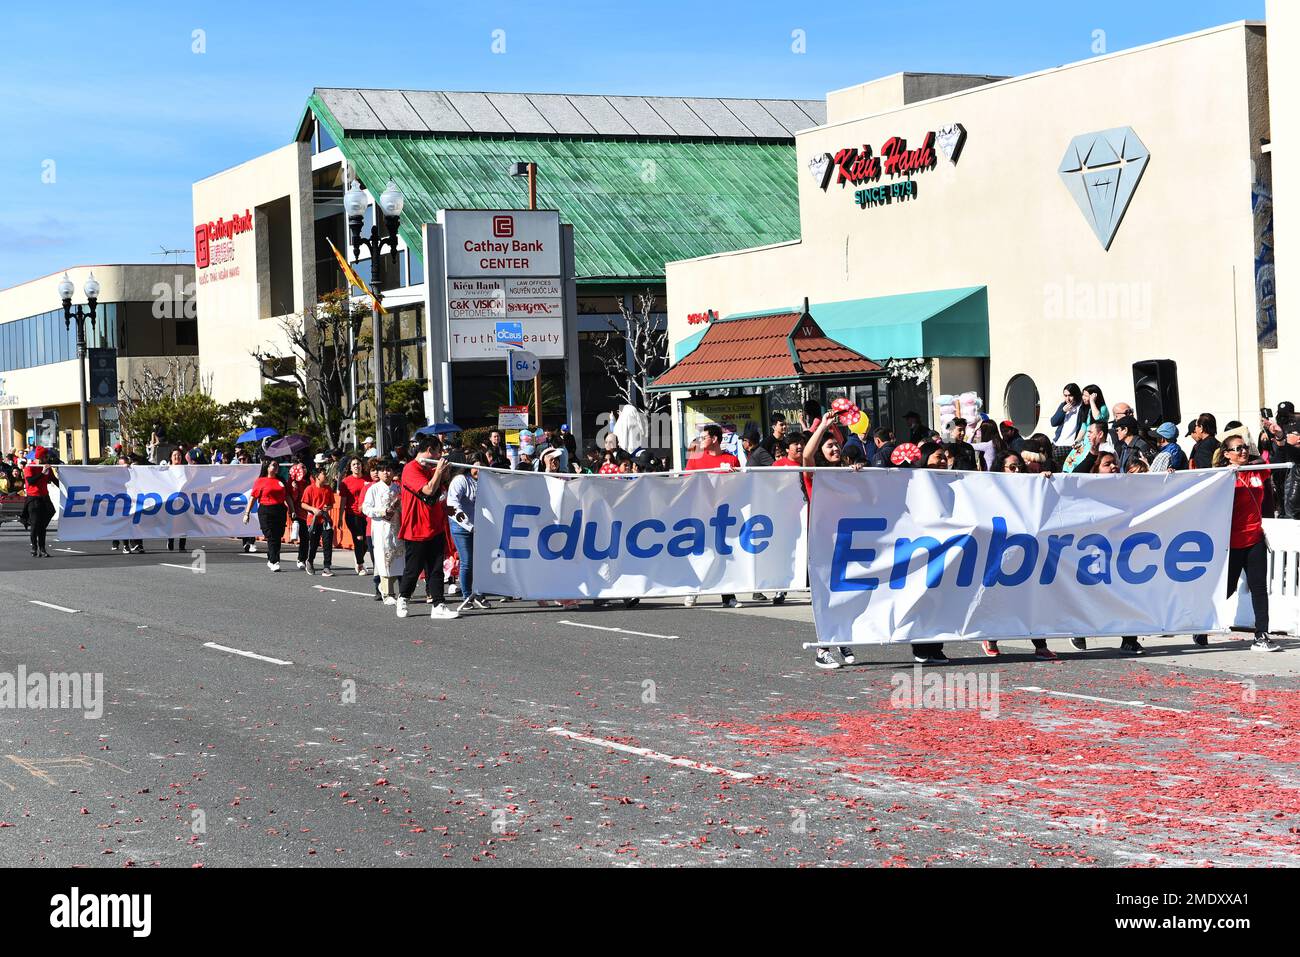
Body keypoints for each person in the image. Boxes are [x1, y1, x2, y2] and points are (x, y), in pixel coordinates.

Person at [1191, 438, 1281, 652]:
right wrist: (1227, 474)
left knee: (1259, 588)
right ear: (1226, 454)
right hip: (1230, 542)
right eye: (1237, 448)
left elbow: (1278, 460)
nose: (1243, 451)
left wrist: (1277, 440)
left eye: (1245, 447)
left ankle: (1262, 634)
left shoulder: (1258, 470)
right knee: (1227, 588)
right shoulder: (1223, 477)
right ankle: (1201, 623)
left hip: (1255, 539)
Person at [801, 415, 861, 668]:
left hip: (847, 539)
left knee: (847, 590)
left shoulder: (846, 472)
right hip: (823, 542)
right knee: (825, 593)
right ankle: (822, 649)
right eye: (829, 446)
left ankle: (840, 637)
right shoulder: (815, 474)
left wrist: (859, 472)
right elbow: (806, 456)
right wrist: (823, 427)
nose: (835, 448)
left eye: (836, 445)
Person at [397, 435, 459, 621]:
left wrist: (444, 505)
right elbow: (428, 491)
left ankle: (438, 604)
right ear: (430, 450)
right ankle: (403, 598)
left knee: (436, 568)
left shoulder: (431, 469)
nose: (440, 456)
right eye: (438, 451)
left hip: (435, 527)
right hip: (416, 529)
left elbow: (436, 497)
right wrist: (439, 472)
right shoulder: (410, 469)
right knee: (413, 569)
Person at [683, 424, 743, 610]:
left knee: (724, 555)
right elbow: (687, 483)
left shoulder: (732, 460)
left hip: (725, 516)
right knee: (700, 553)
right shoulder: (696, 459)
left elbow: (741, 486)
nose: (701, 441)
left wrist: (735, 478)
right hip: (701, 515)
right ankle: (693, 590)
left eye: (704, 437)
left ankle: (728, 596)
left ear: (715, 439)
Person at [447, 452, 491, 611]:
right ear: (469, 466)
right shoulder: (460, 480)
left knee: (481, 563)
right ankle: (467, 596)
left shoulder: (487, 482)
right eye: (475, 468)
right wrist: (469, 525)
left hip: (481, 528)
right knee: (467, 562)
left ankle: (479, 594)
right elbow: (451, 506)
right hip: (461, 527)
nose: (478, 471)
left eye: (482, 468)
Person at [362, 459, 404, 603]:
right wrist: (382, 511)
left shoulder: (397, 488)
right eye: (383, 470)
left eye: (389, 470)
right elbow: (366, 508)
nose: (386, 473)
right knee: (384, 559)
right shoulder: (373, 489)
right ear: (378, 473)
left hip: (397, 528)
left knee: (398, 559)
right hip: (381, 529)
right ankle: (388, 593)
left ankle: (401, 592)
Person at [242, 459, 289, 571]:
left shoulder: (281, 480)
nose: (276, 467)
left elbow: (287, 497)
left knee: (277, 536)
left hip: (280, 510)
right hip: (266, 510)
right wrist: (247, 513)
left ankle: (271, 557)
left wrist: (292, 511)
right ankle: (274, 561)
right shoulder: (260, 481)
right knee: (271, 535)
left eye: (277, 465)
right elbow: (253, 498)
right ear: (267, 467)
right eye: (273, 465)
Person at [296, 468, 336, 576]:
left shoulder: (328, 489)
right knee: (313, 543)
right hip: (313, 521)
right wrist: (313, 509)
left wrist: (328, 507)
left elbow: (332, 504)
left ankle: (327, 567)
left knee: (327, 543)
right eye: (323, 474)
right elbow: (303, 504)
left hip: (325, 520)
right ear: (317, 476)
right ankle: (309, 561)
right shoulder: (309, 489)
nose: (326, 476)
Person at [338, 456, 371, 576]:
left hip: (367, 515)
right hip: (353, 514)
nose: (357, 466)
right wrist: (340, 518)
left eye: (358, 464)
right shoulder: (346, 481)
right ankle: (360, 564)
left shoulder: (368, 479)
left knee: (367, 541)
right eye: (354, 465)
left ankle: (358, 557)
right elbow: (342, 501)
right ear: (350, 468)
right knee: (359, 539)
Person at [24, 446, 58, 558]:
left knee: (47, 518)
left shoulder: (47, 467)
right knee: (35, 525)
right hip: (33, 498)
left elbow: (54, 480)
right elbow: (30, 481)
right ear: (40, 457)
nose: (47, 459)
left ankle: (42, 548)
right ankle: (35, 547)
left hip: (44, 497)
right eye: (45, 457)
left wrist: (67, 488)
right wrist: (42, 473)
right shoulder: (29, 467)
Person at [165, 448, 188, 553]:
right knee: (171, 521)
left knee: (184, 522)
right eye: (174, 455)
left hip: (184, 500)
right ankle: (170, 540)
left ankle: (182, 545)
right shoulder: (166, 469)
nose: (177, 457)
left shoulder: (186, 469)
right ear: (170, 457)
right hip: (171, 500)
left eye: (179, 455)